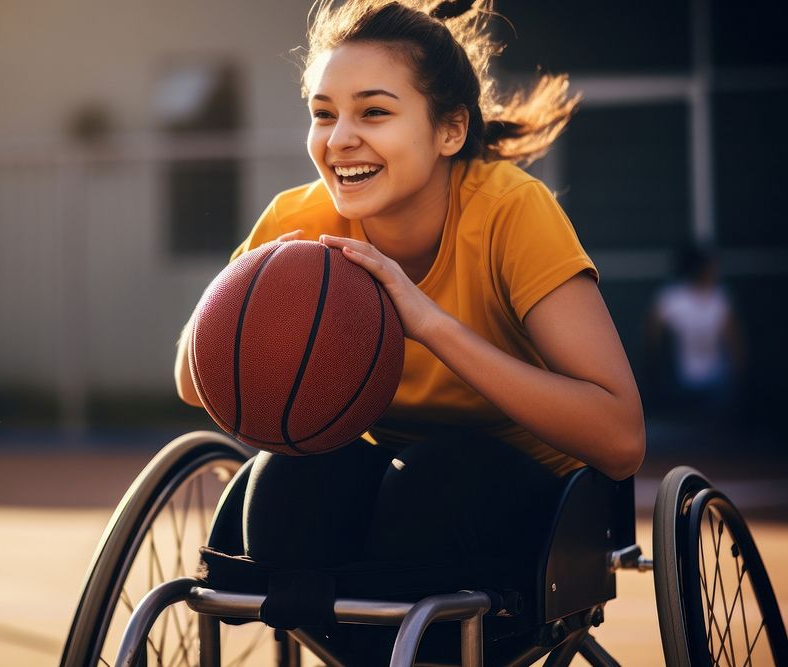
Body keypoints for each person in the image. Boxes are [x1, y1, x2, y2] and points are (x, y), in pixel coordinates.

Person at [174, 0, 645, 658]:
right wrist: (248, 313)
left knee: (438, 480)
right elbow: (192, 382)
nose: (338, 139)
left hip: (522, 499)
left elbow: (621, 439)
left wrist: (427, 323)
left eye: (374, 111)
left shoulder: (511, 213)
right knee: (286, 485)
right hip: (384, 494)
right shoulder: (299, 226)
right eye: (323, 113)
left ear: (449, 131)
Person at [647, 244, 745, 420]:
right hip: (678, 382)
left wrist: (738, 378)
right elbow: (653, 340)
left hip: (716, 381)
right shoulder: (672, 298)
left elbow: (735, 344)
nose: (714, 271)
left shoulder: (719, 298)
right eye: (710, 266)